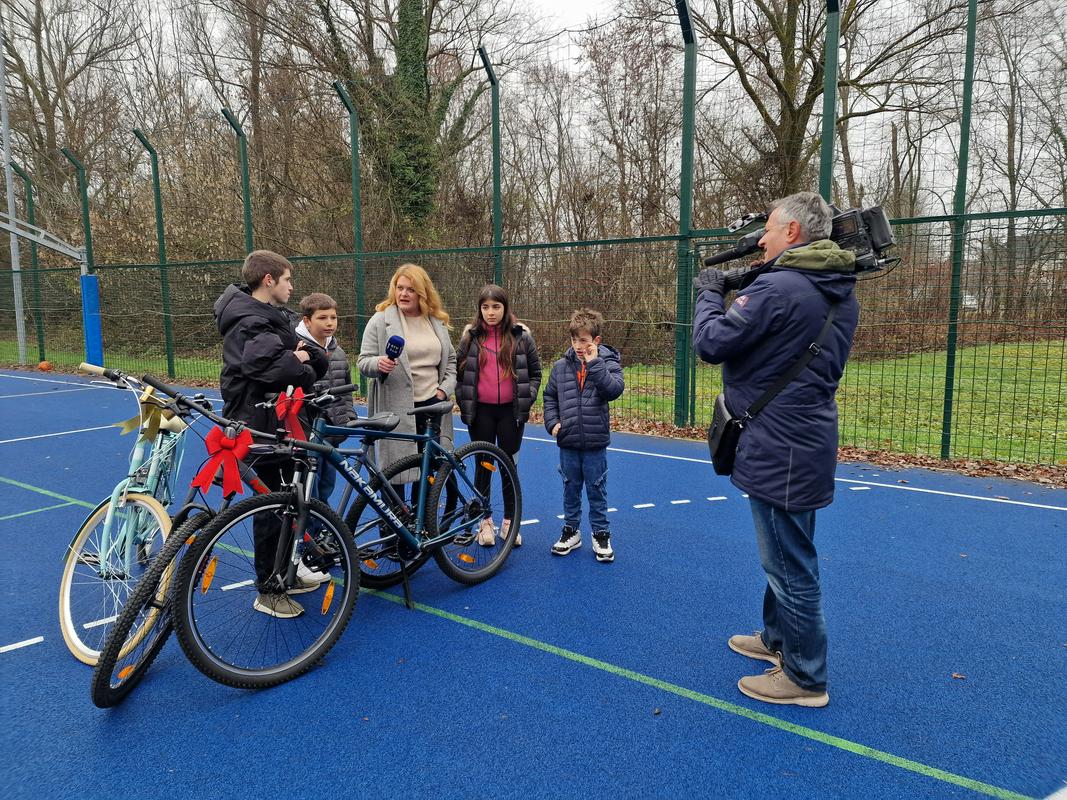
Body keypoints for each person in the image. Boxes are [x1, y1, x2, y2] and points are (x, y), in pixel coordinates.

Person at [691, 191, 860, 708]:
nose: (760, 238)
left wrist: (706, 292)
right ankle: (778, 640)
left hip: (779, 444)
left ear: (792, 234)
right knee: (790, 553)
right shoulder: (833, 287)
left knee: (789, 565)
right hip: (802, 440)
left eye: (768, 228)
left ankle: (805, 679)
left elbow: (710, 343)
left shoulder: (782, 287)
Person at [214, 249, 330, 619]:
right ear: (269, 280)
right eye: (287, 279)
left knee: (284, 503)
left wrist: (302, 360)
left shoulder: (267, 318)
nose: (291, 287)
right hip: (258, 423)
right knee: (270, 508)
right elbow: (273, 369)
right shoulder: (250, 320)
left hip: (274, 421)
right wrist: (297, 363)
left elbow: (309, 359)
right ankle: (269, 589)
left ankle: (286, 574)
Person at [357, 264, 457, 504]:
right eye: (399, 288)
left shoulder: (435, 321)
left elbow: (451, 361)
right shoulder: (381, 320)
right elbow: (363, 361)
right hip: (396, 409)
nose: (403, 294)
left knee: (429, 473)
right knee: (394, 473)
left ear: (422, 293)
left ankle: (424, 532)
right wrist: (378, 363)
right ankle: (392, 539)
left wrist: (444, 390)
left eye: (410, 289)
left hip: (432, 407)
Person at [455, 284, 542, 548]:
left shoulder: (521, 337)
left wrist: (528, 396)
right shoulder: (470, 337)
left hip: (510, 413)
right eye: (485, 307)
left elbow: (536, 373)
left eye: (496, 307)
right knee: (484, 466)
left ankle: (509, 523)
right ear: (479, 310)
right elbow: (459, 375)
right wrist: (465, 401)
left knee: (508, 467)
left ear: (505, 308)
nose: (491, 312)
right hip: (481, 413)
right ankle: (485, 523)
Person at [542, 308, 624, 563]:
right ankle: (571, 531)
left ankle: (600, 534)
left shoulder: (608, 363)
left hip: (595, 442)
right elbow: (549, 397)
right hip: (568, 442)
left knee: (597, 489)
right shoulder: (560, 367)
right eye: (575, 340)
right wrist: (552, 422)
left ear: (596, 341)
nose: (579, 346)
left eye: (584, 340)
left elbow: (613, 390)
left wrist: (594, 363)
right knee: (570, 487)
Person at [295, 292, 357, 506]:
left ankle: (322, 529)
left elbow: (346, 387)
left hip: (332, 429)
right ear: (307, 320)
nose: (330, 323)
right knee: (308, 487)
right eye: (322, 318)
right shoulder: (298, 348)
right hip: (307, 430)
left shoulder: (337, 351)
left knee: (327, 484)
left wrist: (348, 415)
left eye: (333, 317)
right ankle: (307, 531)